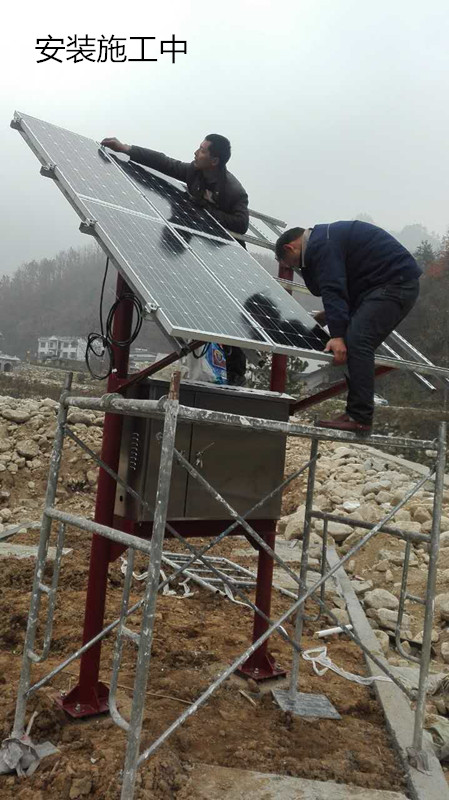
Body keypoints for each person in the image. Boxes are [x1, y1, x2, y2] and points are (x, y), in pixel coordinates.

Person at [101, 132, 249, 385]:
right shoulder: (194, 172)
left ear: (214, 160)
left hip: (225, 257)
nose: (196, 153)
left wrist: (207, 211)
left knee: (228, 314)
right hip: (199, 250)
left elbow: (241, 224)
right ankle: (206, 363)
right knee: (199, 301)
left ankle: (235, 373)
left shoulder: (233, 190)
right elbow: (165, 163)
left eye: (202, 150)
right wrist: (127, 149)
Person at [275, 220, 421, 433]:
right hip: (383, 285)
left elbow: (333, 286)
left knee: (358, 341)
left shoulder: (320, 244)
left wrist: (337, 336)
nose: (297, 268)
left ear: (290, 247)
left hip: (396, 284)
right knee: (355, 343)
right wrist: (329, 317)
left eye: (293, 263)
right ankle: (355, 413)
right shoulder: (324, 238)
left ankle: (360, 418)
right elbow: (348, 284)